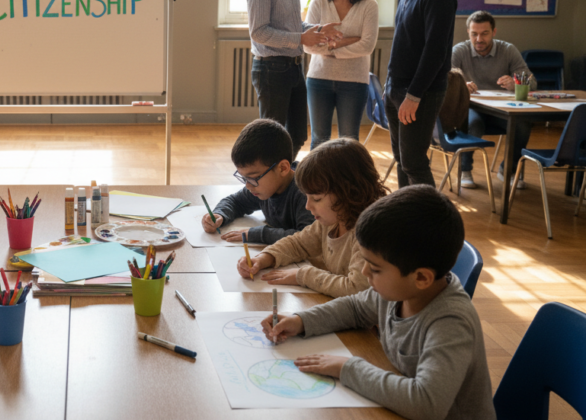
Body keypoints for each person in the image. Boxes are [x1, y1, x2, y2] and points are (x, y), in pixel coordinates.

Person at [261, 185, 495, 420]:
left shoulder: (451, 323)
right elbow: (354, 308)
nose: (364, 272)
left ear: (422, 277)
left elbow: (426, 403)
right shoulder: (399, 290)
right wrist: (300, 321)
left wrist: (347, 368)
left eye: (374, 268)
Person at [238, 139, 386, 297]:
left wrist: (303, 275)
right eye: (306, 197)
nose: (308, 206)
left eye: (316, 199)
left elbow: (356, 288)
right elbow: (299, 243)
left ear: (348, 192)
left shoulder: (370, 233)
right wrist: (264, 258)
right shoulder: (333, 218)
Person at [246, 0, 342, 159]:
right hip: (271, 69)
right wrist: (301, 38)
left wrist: (317, 30)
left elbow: (292, 25)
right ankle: (268, 189)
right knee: (271, 140)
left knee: (297, 135)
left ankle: (281, 180)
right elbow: (259, 32)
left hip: (294, 67)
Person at [383, 0, 457, 187]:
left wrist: (413, 96)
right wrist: (390, 88)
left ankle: (429, 222)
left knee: (414, 162)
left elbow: (435, 51)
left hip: (419, 93)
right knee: (402, 159)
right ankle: (408, 216)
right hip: (396, 88)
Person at [303, 0, 379, 149]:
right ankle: (317, 181)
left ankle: (347, 181)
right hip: (319, 79)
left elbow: (367, 45)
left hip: (354, 82)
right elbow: (309, 44)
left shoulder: (369, 6)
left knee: (349, 141)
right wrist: (347, 41)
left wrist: (329, 46)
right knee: (319, 140)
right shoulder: (319, 3)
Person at [452, 10, 535, 190]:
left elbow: (532, 82)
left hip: (501, 110)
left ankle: (508, 170)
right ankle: (465, 170)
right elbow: (444, 81)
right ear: (468, 32)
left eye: (484, 33)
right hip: (472, 108)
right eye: (474, 34)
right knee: (472, 124)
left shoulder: (508, 50)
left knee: (522, 123)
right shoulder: (459, 51)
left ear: (494, 32)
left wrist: (516, 84)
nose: (479, 39)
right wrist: (460, 85)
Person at [201, 119, 314, 244]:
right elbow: (235, 201)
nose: (248, 185)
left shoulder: (307, 192)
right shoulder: (261, 187)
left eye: (253, 177)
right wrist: (220, 215)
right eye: (244, 178)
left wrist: (256, 234)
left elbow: (308, 237)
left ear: (283, 168)